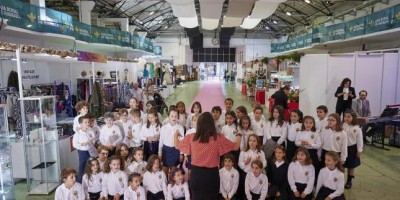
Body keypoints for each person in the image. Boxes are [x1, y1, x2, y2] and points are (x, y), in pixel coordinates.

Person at [174, 112, 242, 200]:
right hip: (211, 176)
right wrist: (239, 135)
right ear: (212, 124)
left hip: (196, 175)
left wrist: (175, 135)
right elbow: (236, 146)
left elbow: (177, 145)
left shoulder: (191, 138)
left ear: (199, 124)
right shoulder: (218, 138)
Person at [159, 109, 185, 176]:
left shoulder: (180, 128)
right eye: (172, 116)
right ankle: (165, 184)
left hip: (175, 150)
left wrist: (181, 154)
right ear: (168, 117)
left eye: (176, 116)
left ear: (178, 117)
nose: (174, 118)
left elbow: (182, 141)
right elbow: (161, 141)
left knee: (173, 171)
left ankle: (172, 184)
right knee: (165, 169)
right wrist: (160, 152)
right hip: (166, 150)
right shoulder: (163, 128)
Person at [72, 115, 96, 183]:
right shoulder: (77, 134)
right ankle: (80, 182)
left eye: (88, 122)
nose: (87, 124)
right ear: (80, 124)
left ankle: (92, 182)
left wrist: (91, 142)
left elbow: (93, 140)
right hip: (82, 152)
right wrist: (84, 144)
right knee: (82, 168)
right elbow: (75, 145)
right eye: (85, 122)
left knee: (92, 167)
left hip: (91, 151)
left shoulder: (90, 131)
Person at [343, 111, 363, 189]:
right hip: (343, 148)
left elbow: (359, 140)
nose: (346, 118)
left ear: (353, 118)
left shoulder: (357, 128)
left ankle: (349, 181)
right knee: (342, 165)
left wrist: (359, 150)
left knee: (351, 166)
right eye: (345, 116)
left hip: (352, 148)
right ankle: (340, 180)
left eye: (349, 117)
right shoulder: (343, 125)